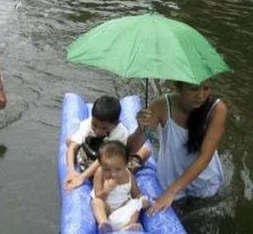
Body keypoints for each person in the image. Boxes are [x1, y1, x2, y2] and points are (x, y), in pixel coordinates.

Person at [127, 80, 226, 214]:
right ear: (179, 86)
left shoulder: (216, 109)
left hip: (203, 183)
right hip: (169, 179)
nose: (201, 95)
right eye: (194, 88)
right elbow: (131, 149)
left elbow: (205, 157)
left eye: (206, 88)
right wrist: (140, 129)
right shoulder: (161, 106)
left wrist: (171, 192)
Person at [64, 96, 150, 191]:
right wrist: (71, 171)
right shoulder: (88, 124)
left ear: (117, 123)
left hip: (102, 166)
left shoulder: (120, 133)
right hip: (92, 163)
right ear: (92, 118)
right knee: (145, 150)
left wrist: (82, 176)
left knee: (144, 151)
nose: (98, 131)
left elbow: (102, 160)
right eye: (95, 125)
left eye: (105, 128)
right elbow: (72, 146)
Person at [91, 141, 149, 233]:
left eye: (118, 169)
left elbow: (136, 193)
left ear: (125, 164)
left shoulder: (129, 175)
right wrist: (106, 190)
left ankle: (128, 227)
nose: (113, 174)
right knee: (96, 202)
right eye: (107, 169)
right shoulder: (100, 173)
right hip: (107, 209)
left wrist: (142, 199)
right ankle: (104, 224)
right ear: (101, 165)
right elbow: (98, 196)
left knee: (136, 203)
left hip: (122, 207)